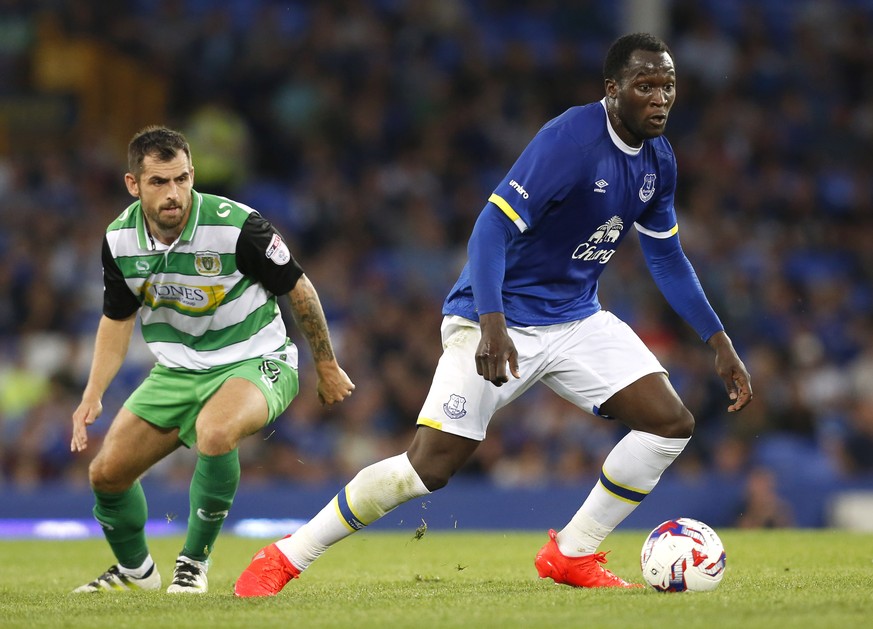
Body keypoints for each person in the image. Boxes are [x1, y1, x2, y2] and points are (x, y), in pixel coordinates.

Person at [233, 32, 753, 597]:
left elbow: (666, 254)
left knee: (670, 423)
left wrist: (717, 339)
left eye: (667, 86)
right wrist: (492, 321)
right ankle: (284, 557)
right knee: (427, 468)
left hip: (577, 319)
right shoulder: (570, 141)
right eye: (644, 86)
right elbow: (491, 228)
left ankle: (573, 553)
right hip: (496, 321)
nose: (659, 98)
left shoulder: (659, 159)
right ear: (612, 90)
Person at [70, 126, 355, 594]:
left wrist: (326, 364)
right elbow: (117, 319)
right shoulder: (120, 240)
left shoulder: (237, 225)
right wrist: (93, 392)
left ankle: (193, 564)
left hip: (255, 359)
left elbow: (298, 287)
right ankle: (135, 571)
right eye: (159, 182)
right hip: (178, 370)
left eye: (182, 179)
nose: (174, 193)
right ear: (132, 184)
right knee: (106, 473)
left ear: (192, 175)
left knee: (216, 432)